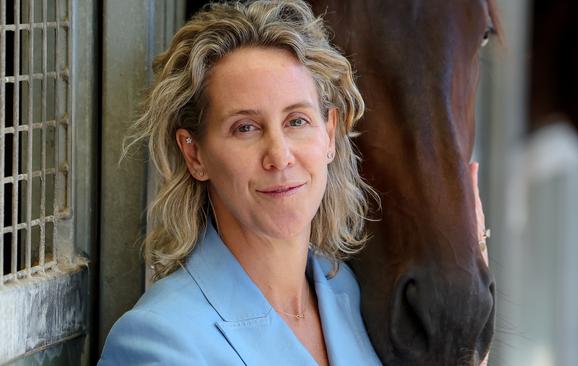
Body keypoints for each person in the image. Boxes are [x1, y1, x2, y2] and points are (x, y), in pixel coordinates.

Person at [99, 1, 382, 364]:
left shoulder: (346, 293)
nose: (279, 156)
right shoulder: (158, 340)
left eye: (297, 121)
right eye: (245, 127)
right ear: (195, 155)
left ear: (329, 133)